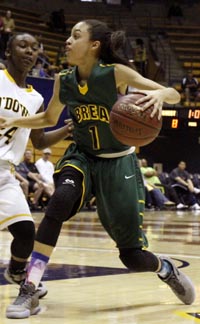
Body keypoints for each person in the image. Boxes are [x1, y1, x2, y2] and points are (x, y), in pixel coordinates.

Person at [0, 20, 195, 319]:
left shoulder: (115, 73)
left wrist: (159, 94)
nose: (67, 41)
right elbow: (47, 118)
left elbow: (174, 95)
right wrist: (15, 121)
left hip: (118, 163)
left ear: (94, 45)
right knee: (58, 205)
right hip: (81, 157)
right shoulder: (63, 79)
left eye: (75, 36)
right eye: (68, 35)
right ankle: (29, 287)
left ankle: (164, 268)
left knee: (133, 257)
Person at [0, 32, 73, 303]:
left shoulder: (35, 99)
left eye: (34, 48)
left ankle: (17, 272)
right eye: (22, 46)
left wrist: (67, 129)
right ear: (8, 51)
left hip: (5, 172)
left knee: (26, 232)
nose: (30, 52)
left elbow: (40, 139)